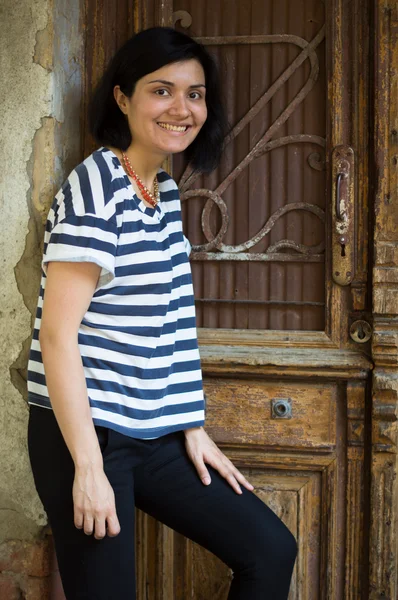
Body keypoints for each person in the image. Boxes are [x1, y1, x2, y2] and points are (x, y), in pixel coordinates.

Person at [27, 26, 297, 600]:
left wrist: (191, 426)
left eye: (195, 94)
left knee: (270, 549)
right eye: (162, 90)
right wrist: (89, 468)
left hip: (152, 429)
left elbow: (171, 322)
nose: (182, 108)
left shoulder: (163, 191)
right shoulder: (95, 187)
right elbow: (57, 337)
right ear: (123, 99)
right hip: (85, 431)